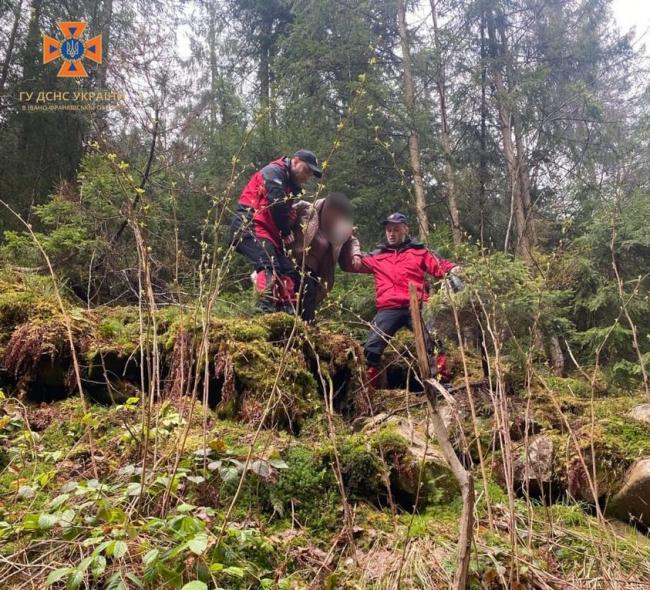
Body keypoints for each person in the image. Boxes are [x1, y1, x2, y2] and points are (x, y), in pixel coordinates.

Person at [346, 212, 462, 389]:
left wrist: (453, 268)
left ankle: (441, 383)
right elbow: (351, 265)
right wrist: (347, 242)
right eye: (388, 230)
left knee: (432, 340)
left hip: (418, 304)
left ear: (405, 230)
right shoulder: (377, 255)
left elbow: (439, 265)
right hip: (388, 307)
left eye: (396, 230)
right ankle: (368, 389)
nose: (391, 233)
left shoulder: (418, 251)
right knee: (372, 346)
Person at [229, 149, 322, 312]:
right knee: (268, 266)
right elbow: (277, 203)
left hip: (267, 232)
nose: (307, 177)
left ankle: (286, 310)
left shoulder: (290, 187)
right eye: (306, 170)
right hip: (249, 223)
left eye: (310, 175)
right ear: (295, 161)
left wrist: (291, 218)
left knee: (288, 270)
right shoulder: (274, 171)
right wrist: (286, 231)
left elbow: (284, 211)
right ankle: (264, 310)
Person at [290, 192, 356, 322]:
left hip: (314, 273)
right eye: (332, 211)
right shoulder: (306, 210)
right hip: (294, 263)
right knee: (296, 298)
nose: (334, 216)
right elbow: (283, 213)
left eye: (338, 214)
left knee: (309, 301)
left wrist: (356, 254)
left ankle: (305, 329)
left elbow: (352, 240)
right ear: (326, 206)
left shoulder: (340, 229)